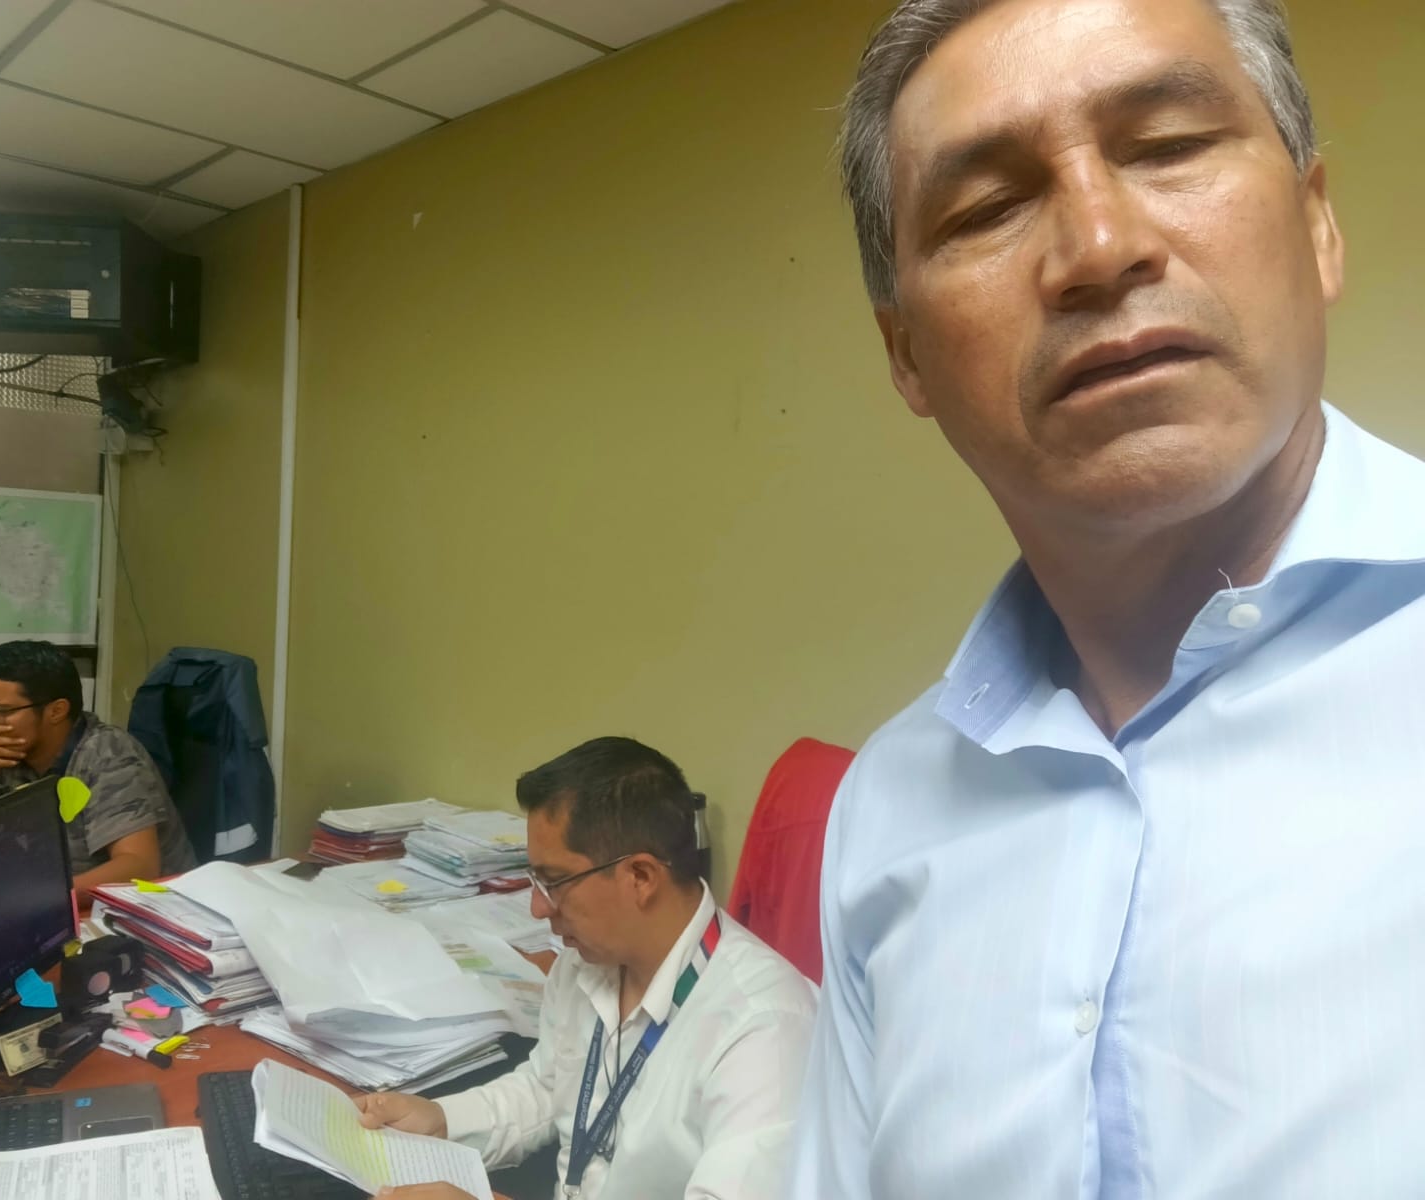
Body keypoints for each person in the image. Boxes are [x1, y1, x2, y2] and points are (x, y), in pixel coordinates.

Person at [793, 0, 1425, 1196]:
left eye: (1168, 146)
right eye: (985, 210)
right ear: (906, 357)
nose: (1095, 246)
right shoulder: (885, 807)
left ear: (1316, 223)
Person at [355, 736, 817, 1199]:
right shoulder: (585, 963)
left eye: (555, 881)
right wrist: (441, 1121)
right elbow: (547, 1088)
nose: (538, 908)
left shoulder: (765, 1029)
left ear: (640, 877)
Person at [0, 641, 196, 890]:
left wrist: (40, 897)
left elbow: (139, 866)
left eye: (1, 711)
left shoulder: (107, 753)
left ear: (56, 711)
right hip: (44, 902)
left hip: (133, 911)